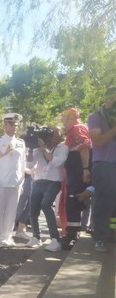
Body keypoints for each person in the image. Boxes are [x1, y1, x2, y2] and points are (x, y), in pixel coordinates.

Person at [26, 127, 68, 252]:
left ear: (60, 135)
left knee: (45, 205)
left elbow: (57, 162)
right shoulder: (40, 147)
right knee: (33, 209)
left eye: (55, 132)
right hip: (38, 180)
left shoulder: (63, 148)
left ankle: (55, 239)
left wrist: (43, 148)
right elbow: (29, 165)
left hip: (53, 181)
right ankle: (35, 237)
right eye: (51, 132)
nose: (52, 135)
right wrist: (31, 149)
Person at [0, 113, 26, 246]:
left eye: (16, 124)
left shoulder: (21, 143)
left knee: (11, 210)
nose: (14, 127)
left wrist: (22, 183)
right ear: (4, 125)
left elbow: (22, 164)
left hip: (15, 181)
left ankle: (7, 235)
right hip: (0, 180)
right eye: (11, 124)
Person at [87, 85, 116, 252]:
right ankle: (100, 238)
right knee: (103, 202)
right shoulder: (95, 117)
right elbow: (98, 141)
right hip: (104, 164)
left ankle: (111, 235)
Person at [60, 107, 92, 249]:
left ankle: (72, 234)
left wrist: (85, 169)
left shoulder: (77, 128)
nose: (62, 120)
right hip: (74, 170)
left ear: (70, 116)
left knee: (74, 199)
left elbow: (84, 147)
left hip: (77, 170)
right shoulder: (72, 130)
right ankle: (72, 232)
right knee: (72, 199)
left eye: (63, 117)